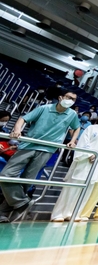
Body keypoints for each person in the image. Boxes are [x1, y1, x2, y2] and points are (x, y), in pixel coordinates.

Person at [0, 91, 80, 223]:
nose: (71, 100)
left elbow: (76, 128)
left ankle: (3, 212)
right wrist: (17, 130)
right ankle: (22, 202)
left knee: (27, 182)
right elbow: (23, 118)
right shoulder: (45, 108)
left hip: (47, 149)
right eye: (69, 97)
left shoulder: (72, 114)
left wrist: (73, 140)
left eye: (74, 99)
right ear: (60, 97)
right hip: (29, 145)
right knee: (6, 175)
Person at [50, 110, 98, 222]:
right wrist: (89, 155)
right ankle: (58, 214)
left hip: (97, 163)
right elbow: (83, 143)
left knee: (86, 190)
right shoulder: (91, 128)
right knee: (72, 188)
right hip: (84, 161)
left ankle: (74, 213)